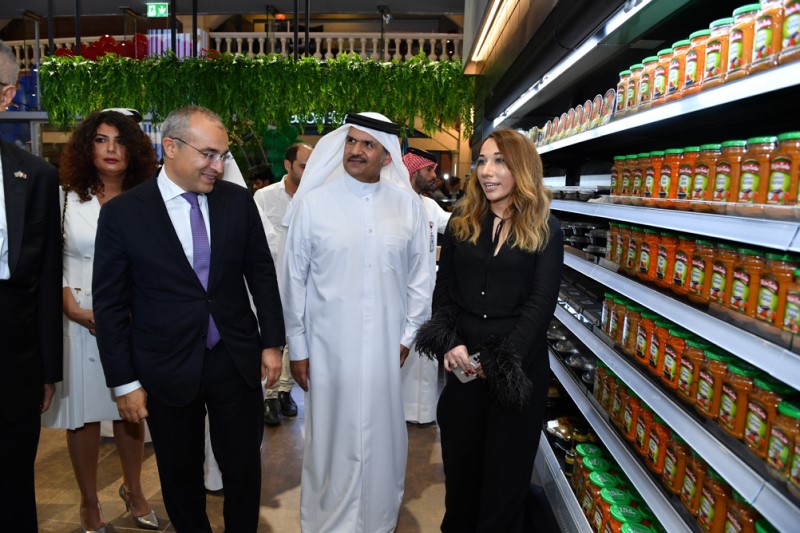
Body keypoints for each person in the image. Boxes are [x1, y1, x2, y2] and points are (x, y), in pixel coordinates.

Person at [92, 105, 285, 532]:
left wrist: (272, 343)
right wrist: (125, 382)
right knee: (179, 475)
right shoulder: (124, 214)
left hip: (234, 357)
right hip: (165, 364)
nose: (218, 166)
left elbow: (260, 272)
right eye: (209, 155)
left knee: (243, 468)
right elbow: (110, 306)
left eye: (222, 156)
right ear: (171, 147)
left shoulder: (237, 202)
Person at [280, 112, 431, 532]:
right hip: (327, 348)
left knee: (383, 437)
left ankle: (377, 519)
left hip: (387, 347)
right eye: (351, 142)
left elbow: (421, 279)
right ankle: (326, 521)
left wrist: (408, 336)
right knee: (330, 437)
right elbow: (293, 281)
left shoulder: (407, 207)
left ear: (387, 155)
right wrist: (299, 347)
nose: (356, 150)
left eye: (368, 144)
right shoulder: (313, 205)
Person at [416, 129, 563, 532]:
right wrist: (451, 344)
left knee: (505, 483)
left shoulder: (546, 230)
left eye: (499, 161)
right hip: (463, 368)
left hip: (516, 373)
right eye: (482, 161)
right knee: (461, 476)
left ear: (522, 168)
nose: (486, 170)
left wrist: (498, 360)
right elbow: (444, 293)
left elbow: (540, 306)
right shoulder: (462, 224)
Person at [42, 109, 159, 532]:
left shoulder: (147, 199)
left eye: (121, 140)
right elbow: (46, 258)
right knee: (83, 416)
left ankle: (134, 489)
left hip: (130, 319)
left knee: (131, 409)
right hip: (77, 319)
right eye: (101, 140)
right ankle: (89, 504)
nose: (111, 149)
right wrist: (69, 306)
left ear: (135, 150)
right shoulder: (64, 197)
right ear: (86, 147)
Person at [0, 39, 62, 532]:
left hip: (13, 361)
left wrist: (48, 368)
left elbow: (45, 279)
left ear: (7, 95)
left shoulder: (37, 175)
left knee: (14, 486)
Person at [254, 142, 312, 426]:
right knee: (273, 336)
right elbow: (258, 240)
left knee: (295, 336)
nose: (308, 171)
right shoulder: (264, 197)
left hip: (303, 281)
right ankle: (269, 397)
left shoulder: (314, 198)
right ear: (288, 166)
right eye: (303, 166)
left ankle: (285, 391)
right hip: (273, 280)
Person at [400, 147, 450, 424]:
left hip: (426, 298)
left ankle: (422, 413)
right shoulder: (394, 204)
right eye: (429, 170)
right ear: (413, 170)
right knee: (402, 358)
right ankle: (399, 412)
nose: (434, 176)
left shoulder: (429, 206)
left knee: (424, 357)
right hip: (399, 300)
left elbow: (454, 225)